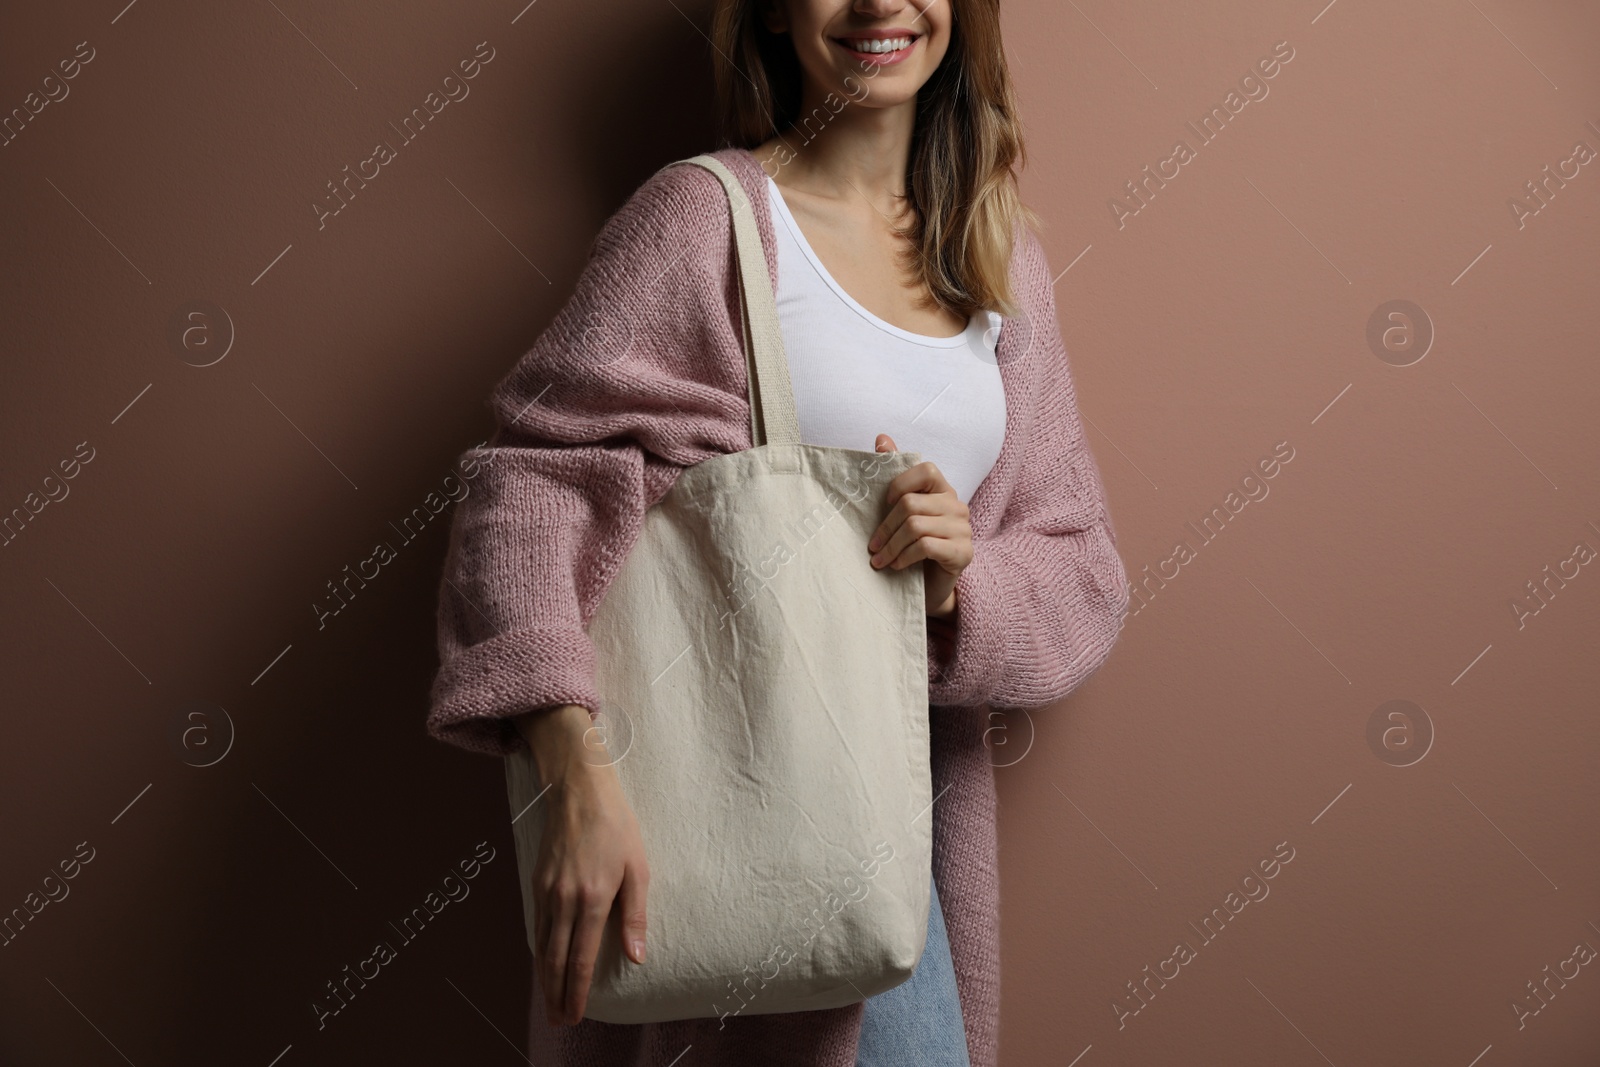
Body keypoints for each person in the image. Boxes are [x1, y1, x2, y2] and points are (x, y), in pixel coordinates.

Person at [426, 1, 1130, 1064]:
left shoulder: (999, 261)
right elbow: (526, 488)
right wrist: (572, 768)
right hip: (735, 821)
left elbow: (1081, 563)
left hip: (909, 844)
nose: (879, 3)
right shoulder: (703, 220)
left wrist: (954, 586)